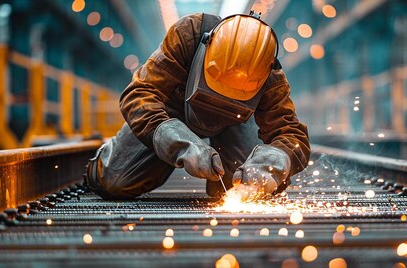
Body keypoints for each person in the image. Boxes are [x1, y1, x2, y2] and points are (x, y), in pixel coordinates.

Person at [84, 12, 310, 199]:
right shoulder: (189, 35)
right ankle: (102, 164)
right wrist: (181, 144)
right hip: (172, 116)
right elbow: (138, 94)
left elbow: (291, 134)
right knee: (114, 182)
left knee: (247, 189)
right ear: (207, 48)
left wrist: (271, 163)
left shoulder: (269, 73)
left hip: (234, 123)